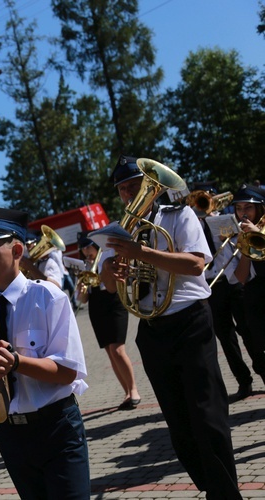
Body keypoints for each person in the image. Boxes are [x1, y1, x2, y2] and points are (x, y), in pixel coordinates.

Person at [100, 155, 241, 499]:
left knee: (208, 416)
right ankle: (211, 485)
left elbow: (195, 264)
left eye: (135, 185)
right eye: (123, 189)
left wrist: (140, 252)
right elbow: (105, 282)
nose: (130, 193)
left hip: (190, 322)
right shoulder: (119, 229)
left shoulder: (180, 216)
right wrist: (114, 269)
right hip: (151, 329)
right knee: (179, 425)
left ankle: (225, 493)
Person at [0, 205, 90, 499]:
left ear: (18, 250)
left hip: (56, 428)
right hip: (10, 433)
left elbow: (68, 372)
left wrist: (18, 362)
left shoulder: (48, 297)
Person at [197, 185, 257, 401]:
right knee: (225, 336)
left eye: (208, 198)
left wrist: (230, 238)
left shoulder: (230, 219)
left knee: (248, 330)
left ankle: (262, 369)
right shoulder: (194, 224)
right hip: (212, 284)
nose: (204, 204)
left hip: (234, 281)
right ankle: (244, 380)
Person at [75, 234, 141, 409]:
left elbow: (113, 286)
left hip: (114, 302)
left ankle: (134, 389)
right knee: (110, 353)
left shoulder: (107, 257)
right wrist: (81, 288)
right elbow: (83, 300)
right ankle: (126, 392)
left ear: (95, 247)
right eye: (83, 250)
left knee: (117, 350)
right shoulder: (85, 266)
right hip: (96, 307)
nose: (85, 252)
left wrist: (102, 271)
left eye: (88, 248)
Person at [228, 184, 265, 388]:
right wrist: (246, 246)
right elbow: (241, 277)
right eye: (239, 208)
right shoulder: (235, 236)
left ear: (259, 208)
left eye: (248, 208)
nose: (243, 213)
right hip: (253, 295)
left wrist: (259, 233)